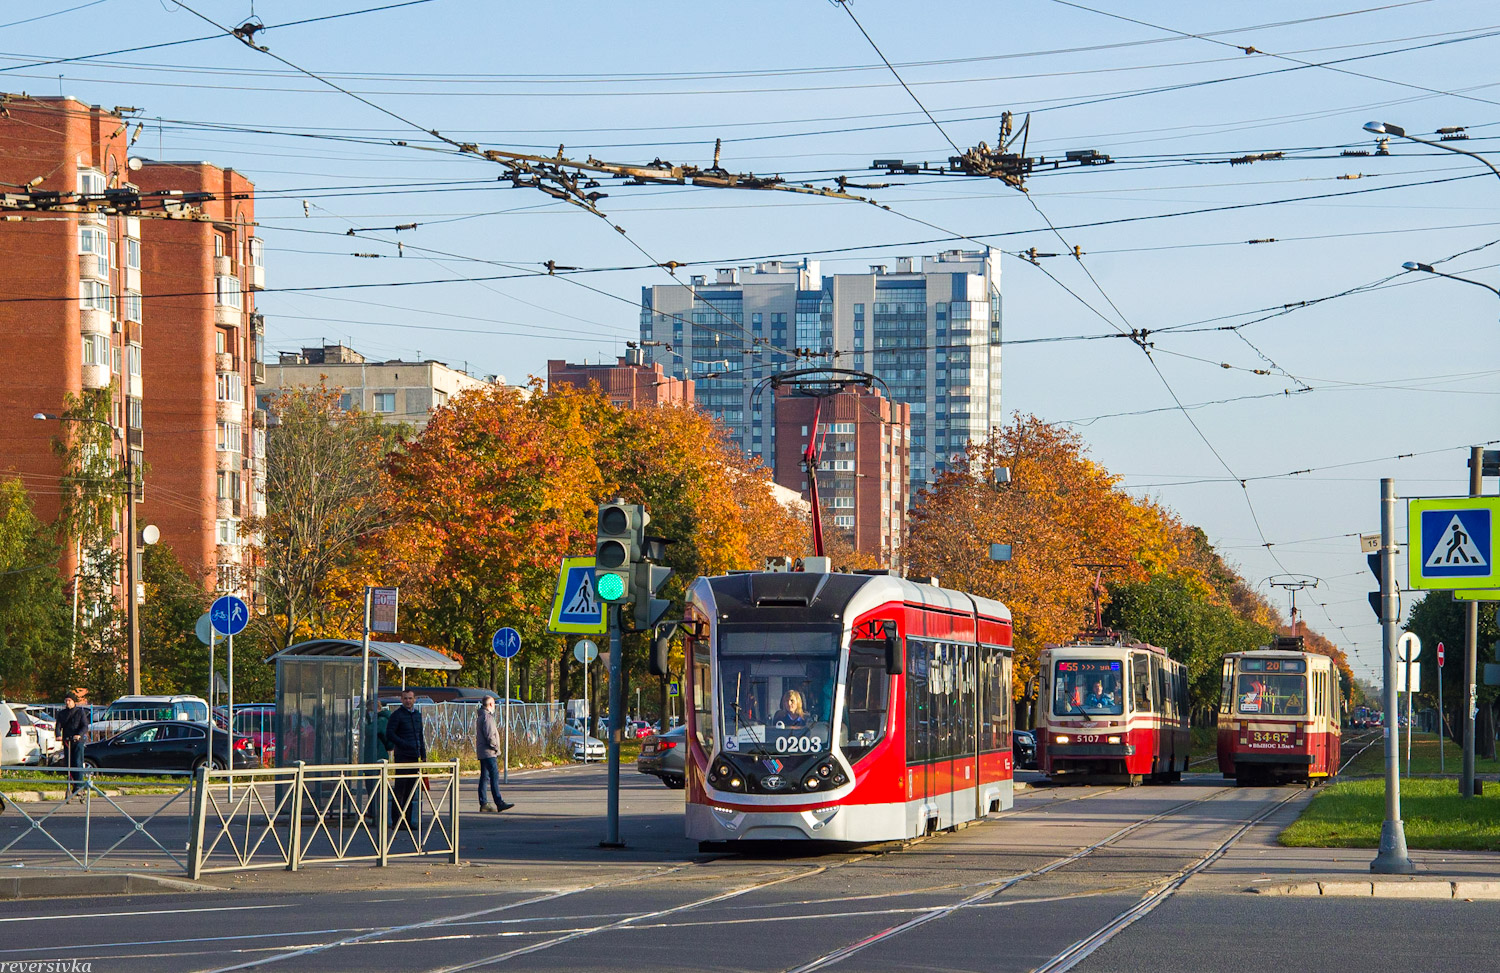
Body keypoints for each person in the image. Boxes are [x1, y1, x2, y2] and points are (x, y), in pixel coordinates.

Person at [385, 690, 427, 829]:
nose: (408, 701)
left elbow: (420, 735)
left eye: (410, 698)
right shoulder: (397, 715)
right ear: (401, 700)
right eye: (405, 698)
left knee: (411, 790)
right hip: (403, 756)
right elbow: (390, 733)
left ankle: (408, 820)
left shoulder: (417, 715)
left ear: (414, 699)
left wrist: (423, 753)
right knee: (400, 790)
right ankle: (397, 820)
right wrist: (403, 743)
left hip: (414, 756)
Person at [474, 697, 514, 813]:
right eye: (494, 703)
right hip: (489, 752)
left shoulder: (481, 716)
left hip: (483, 752)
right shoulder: (487, 717)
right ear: (490, 704)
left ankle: (484, 802)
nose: (495, 706)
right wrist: (495, 747)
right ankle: (499, 802)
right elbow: (490, 735)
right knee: (494, 777)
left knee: (484, 777)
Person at [56, 693, 89, 800]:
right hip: (67, 741)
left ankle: (79, 786)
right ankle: (71, 784)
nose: (67, 702)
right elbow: (58, 726)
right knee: (68, 763)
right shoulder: (62, 714)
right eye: (66, 700)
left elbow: (84, 726)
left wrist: (79, 734)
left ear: (74, 701)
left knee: (77, 762)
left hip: (78, 741)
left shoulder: (80, 712)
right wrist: (58, 735)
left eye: (69, 700)